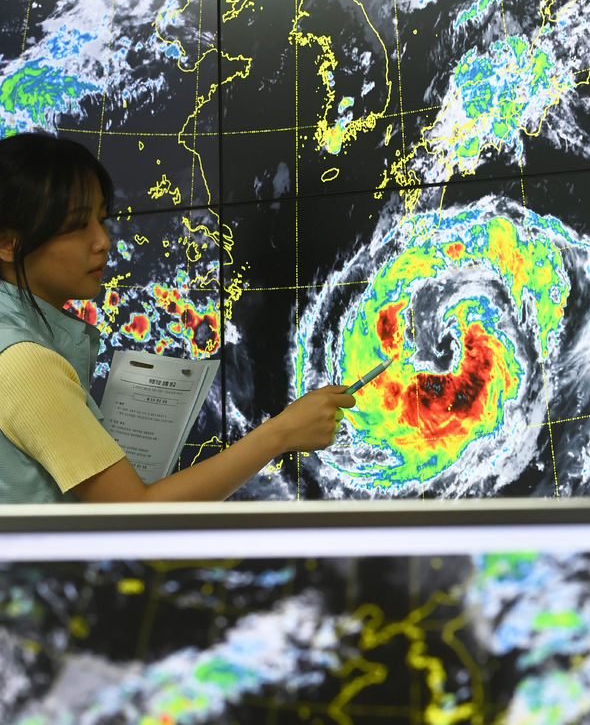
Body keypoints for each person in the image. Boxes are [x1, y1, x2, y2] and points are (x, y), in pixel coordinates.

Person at [0, 131, 355, 503]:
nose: (102, 240)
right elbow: (133, 514)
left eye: (101, 219)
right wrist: (281, 433)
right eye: (76, 226)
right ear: (8, 243)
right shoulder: (25, 362)